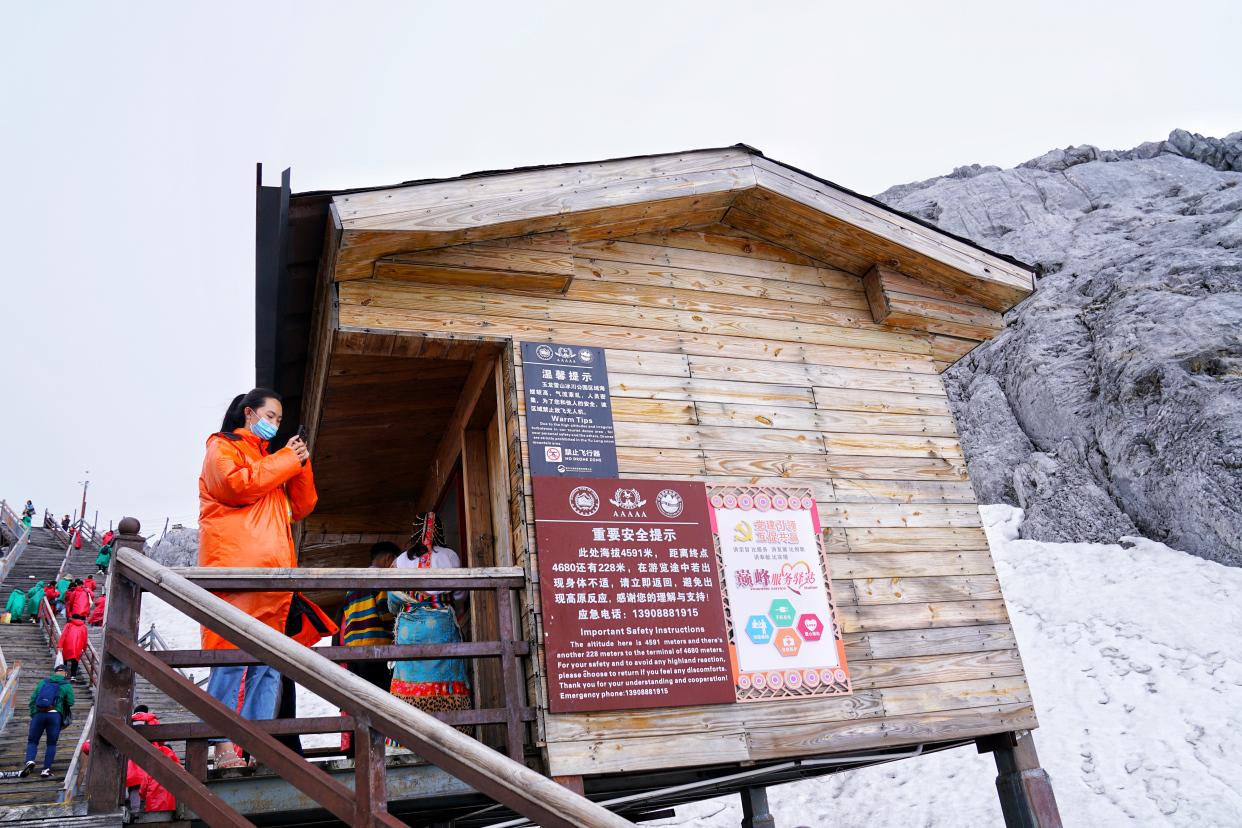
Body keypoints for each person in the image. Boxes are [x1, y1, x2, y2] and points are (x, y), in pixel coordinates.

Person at [199, 387, 316, 768]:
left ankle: (256, 744)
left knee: (268, 666)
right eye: (271, 417)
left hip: (274, 579)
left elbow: (302, 506)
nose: (275, 425)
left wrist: (300, 462)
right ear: (248, 413)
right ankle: (221, 744)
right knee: (230, 656)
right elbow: (235, 486)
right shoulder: (222, 447)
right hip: (236, 573)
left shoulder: (273, 462)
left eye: (280, 421)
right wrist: (285, 459)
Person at [388, 512, 472, 732]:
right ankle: (451, 731)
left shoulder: (401, 560)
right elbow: (460, 594)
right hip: (441, 623)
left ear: (415, 533)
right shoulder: (450, 556)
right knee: (447, 674)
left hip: (409, 626)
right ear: (440, 531)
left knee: (408, 677)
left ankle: (409, 733)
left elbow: (392, 600)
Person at [22, 664, 74, 778]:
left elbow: (33, 699)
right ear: (65, 673)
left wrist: (34, 713)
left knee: (32, 741)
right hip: (54, 715)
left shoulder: (43, 682)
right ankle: (45, 769)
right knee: (51, 743)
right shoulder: (66, 685)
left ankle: (30, 761)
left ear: (55, 672)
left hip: (39, 714)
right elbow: (70, 702)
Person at [58, 614, 89, 683]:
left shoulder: (68, 625)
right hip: (78, 646)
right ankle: (73, 676)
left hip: (67, 645)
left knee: (64, 660)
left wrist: (60, 645)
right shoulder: (84, 627)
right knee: (75, 661)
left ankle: (63, 675)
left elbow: (63, 635)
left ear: (72, 618)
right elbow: (85, 638)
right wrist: (84, 648)